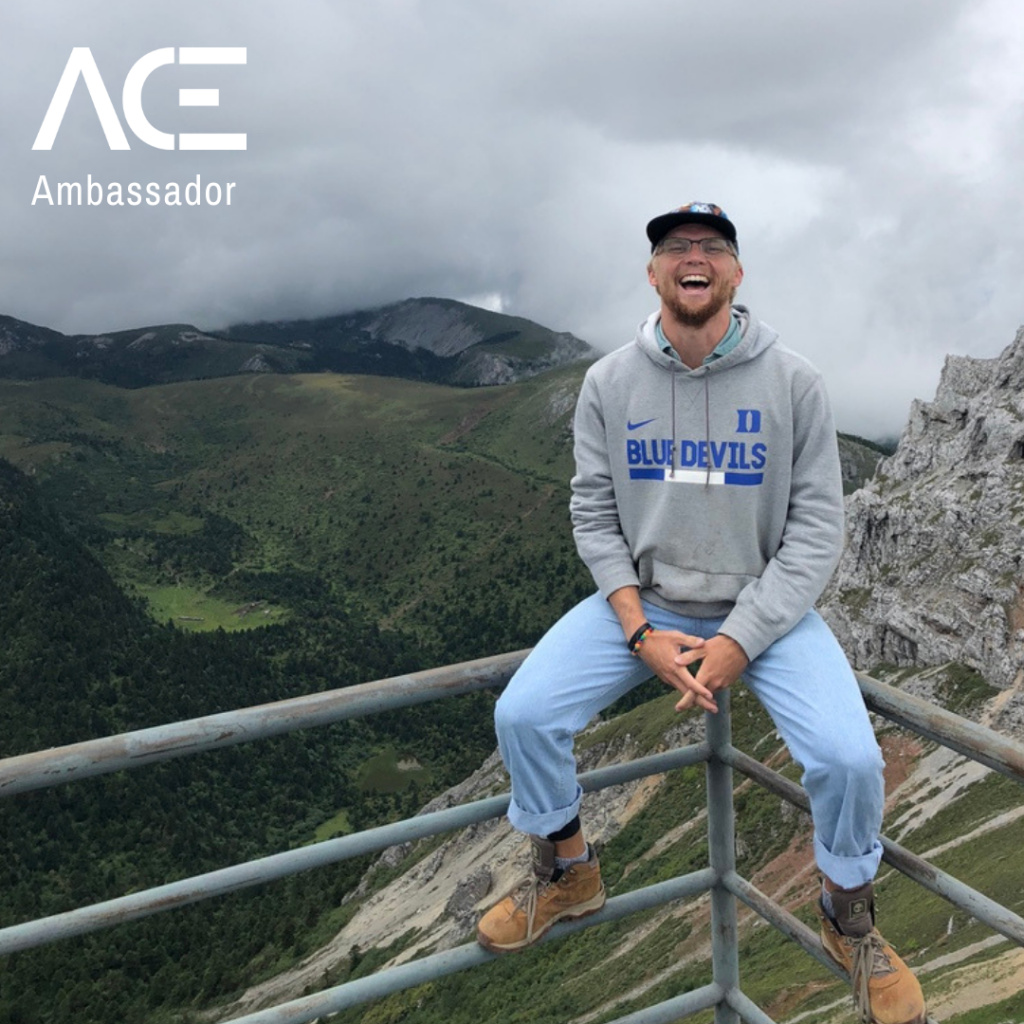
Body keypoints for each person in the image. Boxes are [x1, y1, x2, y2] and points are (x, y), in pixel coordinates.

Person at [476, 203, 926, 1024]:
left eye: (712, 247)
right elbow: (594, 515)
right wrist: (637, 629)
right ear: (653, 275)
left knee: (850, 762)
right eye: (675, 247)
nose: (694, 257)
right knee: (525, 713)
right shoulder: (608, 383)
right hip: (645, 600)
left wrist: (741, 641)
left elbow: (819, 528)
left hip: (766, 607)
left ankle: (847, 914)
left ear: (736, 273)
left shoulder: (796, 383)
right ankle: (568, 869)